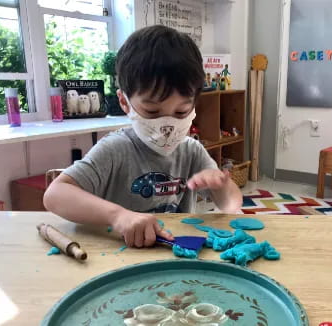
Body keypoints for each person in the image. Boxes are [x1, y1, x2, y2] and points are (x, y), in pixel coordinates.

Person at [44, 25, 243, 247]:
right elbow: (55, 195)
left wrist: (221, 187)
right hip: (123, 257)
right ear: (123, 102)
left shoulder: (192, 151)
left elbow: (231, 205)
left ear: (195, 104)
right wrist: (118, 216)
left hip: (173, 254)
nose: (167, 125)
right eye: (152, 112)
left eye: (180, 112)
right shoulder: (115, 149)